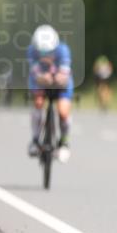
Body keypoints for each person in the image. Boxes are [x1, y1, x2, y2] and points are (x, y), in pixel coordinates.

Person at [27, 25, 73, 162]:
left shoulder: (63, 50)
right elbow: (35, 73)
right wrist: (43, 77)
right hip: (39, 80)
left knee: (63, 111)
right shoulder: (31, 51)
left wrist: (58, 77)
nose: (45, 56)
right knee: (38, 103)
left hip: (61, 81)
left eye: (49, 52)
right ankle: (35, 139)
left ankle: (64, 142)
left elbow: (64, 74)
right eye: (41, 52)